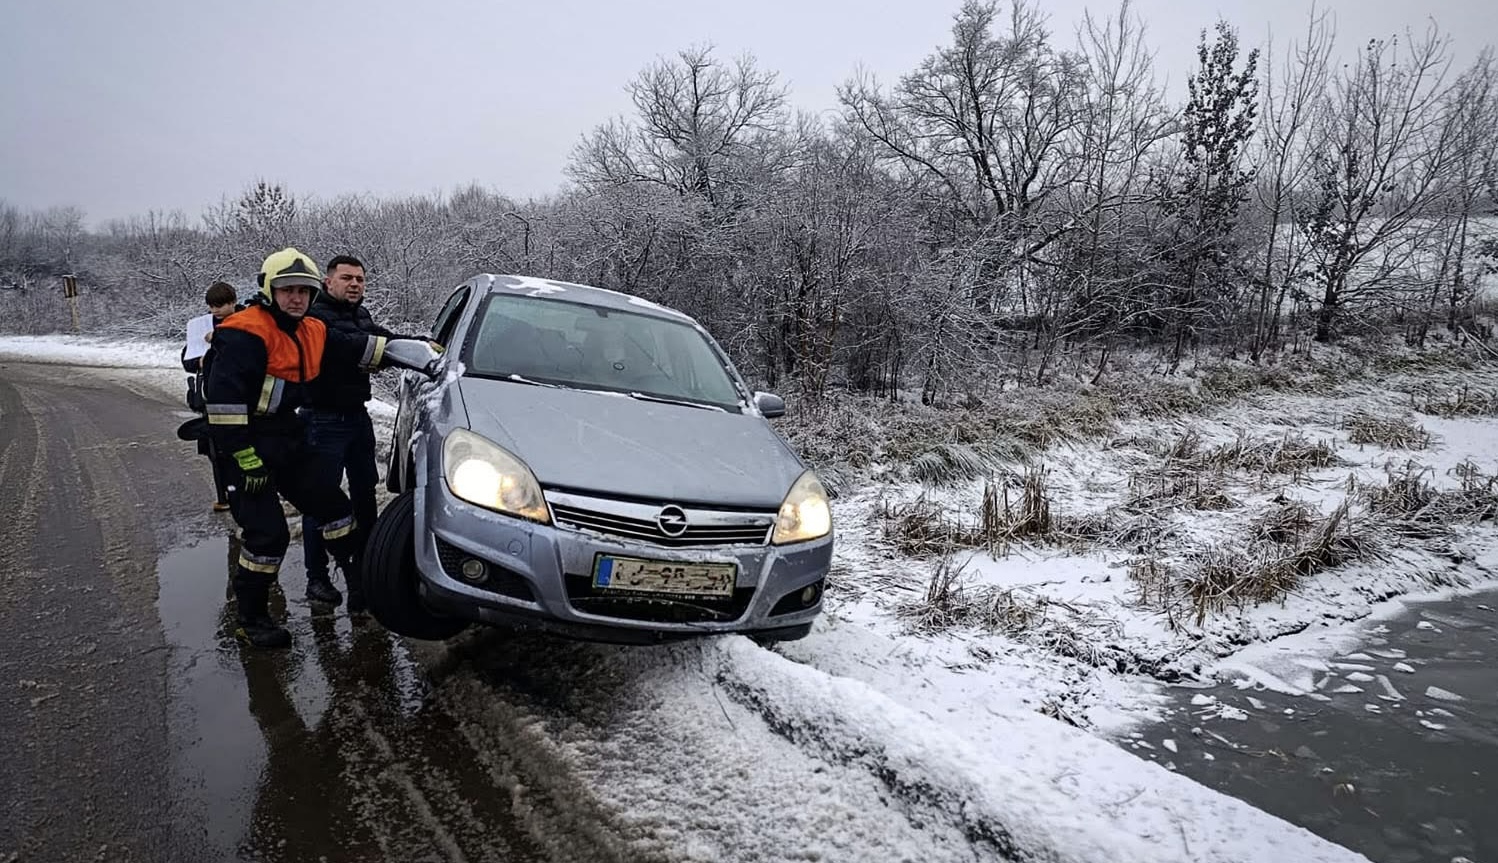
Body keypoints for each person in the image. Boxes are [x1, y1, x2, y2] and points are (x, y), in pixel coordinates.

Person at [203, 247, 422, 648]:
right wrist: (244, 457)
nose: (296, 298)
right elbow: (223, 406)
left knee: (336, 510)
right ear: (269, 289)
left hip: (288, 436)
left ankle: (359, 588)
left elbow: (360, 347)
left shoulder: (312, 329)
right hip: (245, 445)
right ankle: (250, 620)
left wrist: (421, 351)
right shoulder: (243, 332)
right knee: (267, 536)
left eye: (303, 291)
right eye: (287, 290)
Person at [298, 255, 421, 611]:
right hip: (323, 420)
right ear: (328, 282)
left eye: (361, 280)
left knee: (365, 493)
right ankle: (317, 578)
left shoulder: (359, 314)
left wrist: (420, 345)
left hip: (356, 417)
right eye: (348, 278)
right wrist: (401, 352)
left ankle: (365, 574)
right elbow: (354, 345)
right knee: (319, 501)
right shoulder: (315, 318)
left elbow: (378, 339)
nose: (355, 285)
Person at [180, 281, 245, 511]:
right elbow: (187, 359)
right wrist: (199, 361)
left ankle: (247, 491)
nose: (215, 311)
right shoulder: (201, 326)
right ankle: (224, 495)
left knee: (243, 444)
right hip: (211, 394)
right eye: (211, 306)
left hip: (241, 393)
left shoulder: (247, 321)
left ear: (233, 302)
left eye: (220, 305)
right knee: (214, 447)